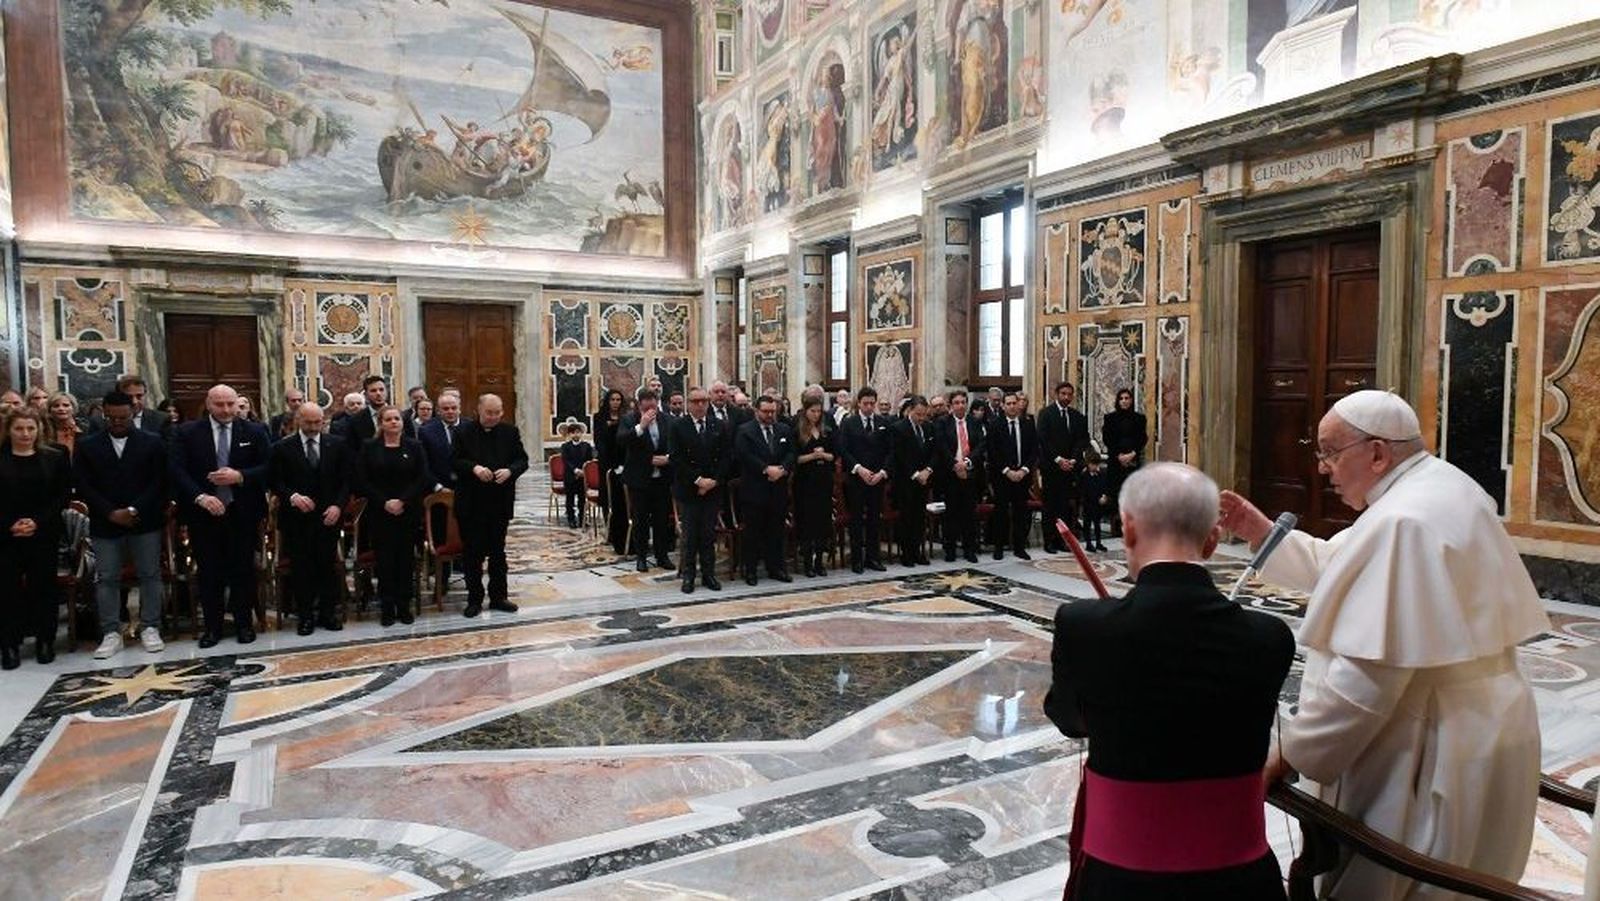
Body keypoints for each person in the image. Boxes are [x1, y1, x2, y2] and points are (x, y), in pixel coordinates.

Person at [1219, 390, 1550, 899]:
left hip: (1433, 743)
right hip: (1483, 727)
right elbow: (1341, 565)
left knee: (1406, 880)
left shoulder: (1404, 519)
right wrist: (1260, 531)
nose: (1323, 468)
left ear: (1376, 453)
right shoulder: (1436, 487)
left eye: (1330, 452)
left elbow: (1365, 682)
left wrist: (1290, 753)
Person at [1046, 463, 1294, 900]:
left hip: (1118, 883)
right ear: (1213, 539)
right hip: (1241, 883)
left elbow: (1069, 719)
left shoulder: (1083, 625)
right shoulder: (1270, 637)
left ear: (1127, 528)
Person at [170, 384, 271, 647]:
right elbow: (177, 470)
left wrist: (240, 476)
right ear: (208, 404)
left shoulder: (254, 431)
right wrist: (200, 497)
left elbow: (269, 466)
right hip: (204, 513)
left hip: (242, 512)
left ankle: (243, 624)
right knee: (209, 571)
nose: (226, 410)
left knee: (243, 570)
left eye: (230, 404)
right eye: (219, 404)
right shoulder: (187, 432)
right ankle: (212, 628)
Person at [75, 391, 169, 659]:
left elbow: (160, 482)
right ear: (104, 415)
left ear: (133, 414)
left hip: (144, 520)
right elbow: (83, 484)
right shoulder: (88, 445)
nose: (117, 422)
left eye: (123, 418)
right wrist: (110, 512)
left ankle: (150, 626)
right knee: (107, 577)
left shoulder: (152, 442)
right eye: (111, 418)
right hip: (106, 522)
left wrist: (133, 509)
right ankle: (111, 632)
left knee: (150, 574)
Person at [269, 403, 352, 635]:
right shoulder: (282, 447)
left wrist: (338, 506)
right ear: (299, 420)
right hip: (297, 519)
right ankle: (305, 616)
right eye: (309, 422)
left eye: (318, 422)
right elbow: (275, 481)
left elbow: (346, 481)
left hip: (328, 517)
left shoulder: (337, 445)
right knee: (302, 568)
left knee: (327, 566)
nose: (314, 427)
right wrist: (292, 497)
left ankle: (328, 613)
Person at [0, 408, 71, 667]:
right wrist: (10, 524)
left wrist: (37, 522)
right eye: (19, 428)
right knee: (6, 590)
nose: (25, 434)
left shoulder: (55, 456)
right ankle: (9, 645)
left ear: (39, 428)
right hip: (6, 535)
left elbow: (62, 495)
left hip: (43, 532)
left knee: (44, 588)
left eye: (30, 428)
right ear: (9, 430)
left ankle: (45, 641)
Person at [452, 394, 528, 617]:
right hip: (471, 503)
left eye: (497, 413)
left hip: (499, 502)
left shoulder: (510, 432)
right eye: (489, 413)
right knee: (472, 554)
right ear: (479, 410)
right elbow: (454, 460)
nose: (493, 417)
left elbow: (522, 460)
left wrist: (510, 471)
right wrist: (474, 468)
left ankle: (498, 597)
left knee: (498, 552)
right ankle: (474, 599)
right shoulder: (462, 432)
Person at [354, 406, 429, 627]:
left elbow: (422, 477)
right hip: (380, 513)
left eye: (397, 418)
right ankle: (387, 607)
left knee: (405, 560)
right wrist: (385, 502)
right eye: (388, 419)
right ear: (381, 423)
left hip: (407, 512)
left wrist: (402, 501)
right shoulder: (369, 447)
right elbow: (362, 479)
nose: (394, 422)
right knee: (385, 561)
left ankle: (404, 605)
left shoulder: (414, 446)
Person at [667, 387, 726, 594]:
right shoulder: (678, 426)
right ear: (688, 404)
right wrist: (698, 481)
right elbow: (676, 458)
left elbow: (726, 456)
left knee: (708, 535)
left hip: (712, 488)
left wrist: (713, 481)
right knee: (690, 536)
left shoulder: (718, 425)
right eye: (695, 401)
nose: (700, 405)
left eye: (704, 401)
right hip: (689, 488)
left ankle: (709, 574)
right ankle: (689, 575)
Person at [734, 395, 794, 585]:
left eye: (773, 412)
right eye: (766, 411)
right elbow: (744, 455)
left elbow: (791, 452)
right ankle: (751, 571)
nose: (770, 415)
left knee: (776, 531)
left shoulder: (783, 429)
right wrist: (766, 469)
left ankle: (776, 568)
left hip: (778, 489)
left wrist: (782, 469)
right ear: (756, 411)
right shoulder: (745, 431)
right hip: (755, 489)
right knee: (753, 532)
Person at [619, 388, 675, 573]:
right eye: (647, 403)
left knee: (661, 519)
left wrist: (668, 458)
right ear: (640, 404)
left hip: (662, 479)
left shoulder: (667, 420)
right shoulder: (629, 419)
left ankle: (662, 555)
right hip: (639, 479)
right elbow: (622, 440)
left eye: (654, 402)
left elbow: (676, 444)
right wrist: (641, 427)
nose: (651, 407)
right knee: (640, 520)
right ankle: (641, 557)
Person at [838, 386, 891, 573]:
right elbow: (843, 450)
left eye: (872, 403)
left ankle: (873, 558)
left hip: (877, 478)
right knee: (856, 520)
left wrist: (882, 472)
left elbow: (890, 450)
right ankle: (857, 560)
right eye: (865, 403)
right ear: (859, 403)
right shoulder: (849, 423)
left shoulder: (883, 422)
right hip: (856, 478)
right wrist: (858, 468)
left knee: (874, 519)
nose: (869, 407)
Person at [1038, 381, 1090, 549]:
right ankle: (1049, 541)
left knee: (1066, 507)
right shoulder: (1046, 414)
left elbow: (1083, 440)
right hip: (1052, 467)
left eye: (1069, 394)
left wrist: (1073, 459)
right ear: (1057, 394)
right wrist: (1059, 460)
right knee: (1050, 506)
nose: (1066, 397)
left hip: (1071, 469)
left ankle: (1063, 540)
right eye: (1063, 394)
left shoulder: (1077, 416)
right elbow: (1044, 440)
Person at [934, 389, 984, 563]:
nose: (960, 406)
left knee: (969, 514)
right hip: (950, 474)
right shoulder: (943, 423)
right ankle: (950, 550)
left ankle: (969, 549)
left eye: (963, 402)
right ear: (951, 406)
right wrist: (956, 465)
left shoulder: (975, 422)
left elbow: (980, 446)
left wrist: (967, 463)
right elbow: (941, 447)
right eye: (957, 403)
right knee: (951, 514)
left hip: (970, 473)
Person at [988, 391, 1038, 560]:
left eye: (1014, 403)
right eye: (1008, 404)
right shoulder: (995, 425)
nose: (1011, 406)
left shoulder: (1028, 424)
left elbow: (1034, 450)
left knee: (1021, 513)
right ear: (1003, 406)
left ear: (1019, 404)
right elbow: (992, 452)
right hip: (1002, 476)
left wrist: (1024, 470)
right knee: (1001, 513)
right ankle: (999, 547)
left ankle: (1019, 547)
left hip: (1022, 476)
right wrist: (1007, 471)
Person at [792, 396, 836, 577]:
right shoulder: (797, 431)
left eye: (819, 411)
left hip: (824, 481)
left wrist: (824, 455)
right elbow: (795, 459)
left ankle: (819, 562)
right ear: (805, 411)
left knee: (822, 522)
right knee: (807, 523)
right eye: (813, 411)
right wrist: (813, 456)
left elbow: (834, 455)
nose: (816, 415)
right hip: (804, 482)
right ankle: (808, 563)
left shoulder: (827, 430)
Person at [890, 395, 935, 567]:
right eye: (918, 414)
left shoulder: (929, 428)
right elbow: (899, 455)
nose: (921, 418)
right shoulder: (898, 428)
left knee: (919, 518)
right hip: (906, 481)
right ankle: (906, 553)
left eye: (924, 414)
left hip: (924, 480)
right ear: (910, 411)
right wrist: (916, 474)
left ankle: (917, 551)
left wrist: (928, 470)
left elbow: (934, 452)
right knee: (906, 518)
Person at [1102, 388, 1146, 537]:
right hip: (1116, 461)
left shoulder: (1139, 418)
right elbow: (1107, 439)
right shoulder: (1110, 418)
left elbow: (1142, 438)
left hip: (1133, 460)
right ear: (1118, 401)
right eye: (1121, 398)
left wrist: (1132, 454)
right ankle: (1117, 528)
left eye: (1127, 398)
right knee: (1116, 494)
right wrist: (1119, 456)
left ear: (1131, 400)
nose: (1124, 401)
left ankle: (1131, 527)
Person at [594, 389, 630, 555]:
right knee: (608, 497)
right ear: (608, 401)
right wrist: (610, 463)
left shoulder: (626, 418)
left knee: (623, 499)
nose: (615, 402)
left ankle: (623, 533)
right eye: (613, 399)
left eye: (618, 399)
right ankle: (610, 531)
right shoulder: (599, 417)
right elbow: (599, 441)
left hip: (623, 462)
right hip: (607, 463)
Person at [559, 422, 594, 528]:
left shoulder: (586, 446)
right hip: (570, 476)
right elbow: (566, 461)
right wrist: (575, 470)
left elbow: (589, 460)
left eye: (578, 432)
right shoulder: (565, 447)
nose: (576, 434)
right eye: (573, 433)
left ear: (581, 433)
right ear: (570, 434)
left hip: (583, 477)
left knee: (582, 499)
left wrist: (583, 471)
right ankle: (571, 519)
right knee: (570, 499)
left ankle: (582, 519)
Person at [1079, 450, 1111, 553]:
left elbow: (1104, 486)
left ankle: (1098, 542)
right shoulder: (1084, 475)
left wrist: (1104, 496)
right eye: (1093, 464)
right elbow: (1084, 491)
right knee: (1087, 524)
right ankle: (1088, 543)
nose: (1095, 467)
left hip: (1098, 503)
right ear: (1088, 464)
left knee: (1097, 524)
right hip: (1088, 503)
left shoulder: (1101, 474)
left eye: (1097, 464)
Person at [345, 375, 388, 445]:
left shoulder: (400, 416)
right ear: (365, 395)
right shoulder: (356, 420)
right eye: (373, 391)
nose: (378, 393)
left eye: (381, 390)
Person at [44, 392, 88, 457]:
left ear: (73, 408)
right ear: (49, 410)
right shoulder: (44, 432)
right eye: (56, 406)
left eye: (66, 405)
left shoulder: (85, 428)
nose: (61, 409)